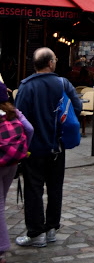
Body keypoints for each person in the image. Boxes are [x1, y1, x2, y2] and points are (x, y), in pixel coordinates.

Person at [15, 47, 82, 248]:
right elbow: (77, 108)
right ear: (51, 63)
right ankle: (52, 228)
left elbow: (19, 119)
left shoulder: (26, 86)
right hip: (56, 146)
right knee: (55, 188)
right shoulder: (62, 83)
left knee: (33, 189)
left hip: (33, 148)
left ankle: (36, 233)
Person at [0, 82, 33, 263]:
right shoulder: (14, 112)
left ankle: (1, 248)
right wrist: (23, 149)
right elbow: (30, 129)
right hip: (12, 162)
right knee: (2, 202)